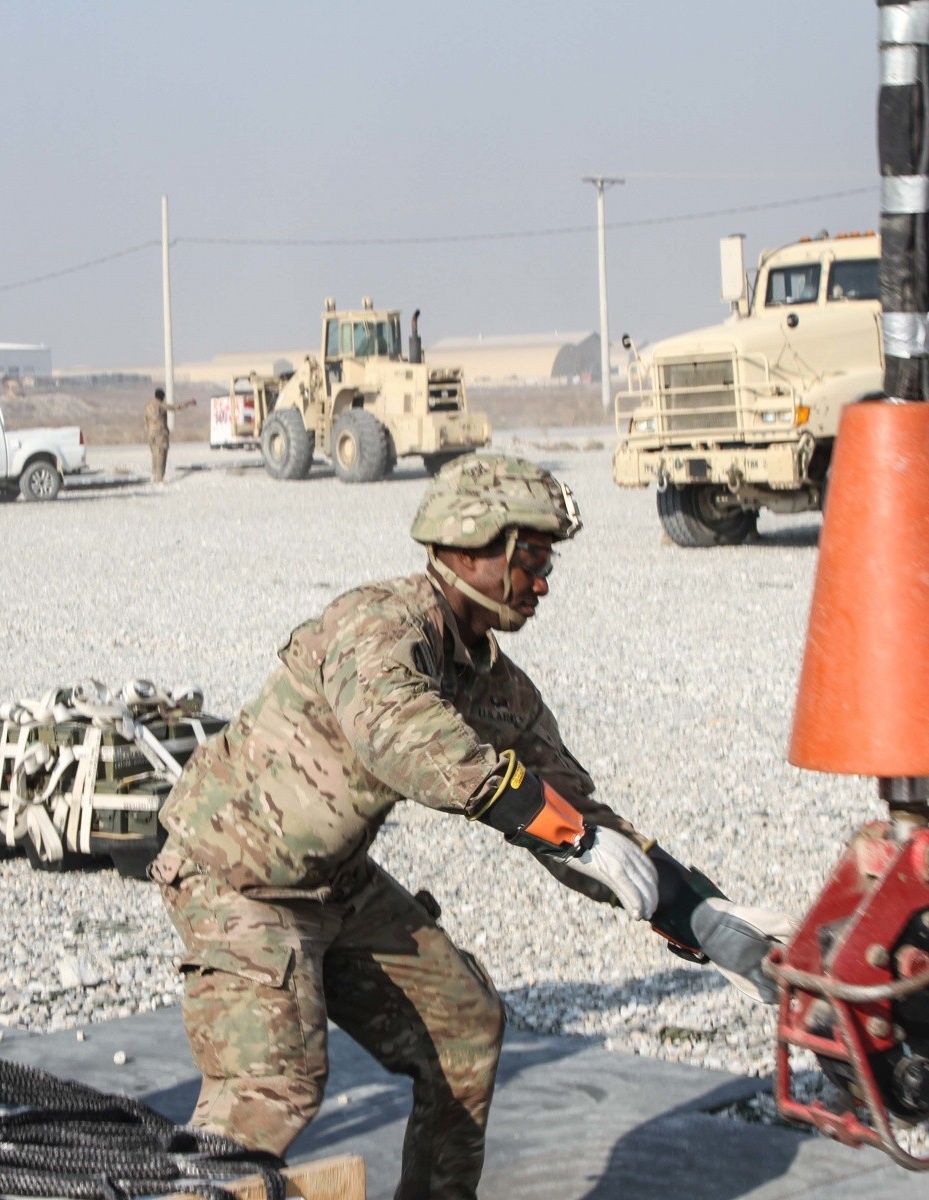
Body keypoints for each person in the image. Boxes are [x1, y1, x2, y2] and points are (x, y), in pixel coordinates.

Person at [151, 453, 788, 1199]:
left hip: (332, 883)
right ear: (471, 549)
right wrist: (551, 823)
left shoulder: (495, 687)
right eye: (534, 560)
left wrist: (694, 912)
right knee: (272, 1088)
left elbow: (575, 814)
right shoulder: (378, 623)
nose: (544, 582)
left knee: (464, 1030)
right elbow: (399, 731)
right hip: (235, 881)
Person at [143, 385, 195, 484]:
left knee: (154, 455)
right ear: (162, 397)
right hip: (160, 433)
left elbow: (145, 420)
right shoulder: (161, 405)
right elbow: (176, 407)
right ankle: (159, 478)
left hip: (150, 434)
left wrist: (149, 430)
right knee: (162, 454)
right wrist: (188, 403)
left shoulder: (148, 406)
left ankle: (154, 476)